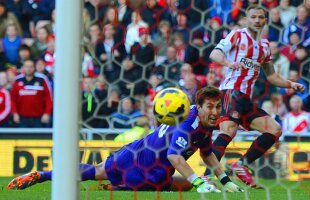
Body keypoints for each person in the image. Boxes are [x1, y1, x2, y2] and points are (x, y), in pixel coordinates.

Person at [7, 86, 243, 193]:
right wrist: (202, 183)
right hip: (142, 163)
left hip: (148, 160)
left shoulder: (202, 121)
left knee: (98, 171)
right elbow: (173, 155)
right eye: (209, 107)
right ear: (199, 107)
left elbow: (206, 152)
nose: (214, 112)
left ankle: (118, 185)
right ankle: (42, 176)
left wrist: (223, 180)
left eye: (216, 107)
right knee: (189, 183)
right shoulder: (188, 124)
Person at [208, 4, 305, 188]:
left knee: (275, 129)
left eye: (261, 17)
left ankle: (241, 165)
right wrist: (229, 63)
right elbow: (214, 53)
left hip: (245, 98)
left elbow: (271, 76)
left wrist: (291, 84)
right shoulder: (237, 35)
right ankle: (206, 176)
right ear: (247, 19)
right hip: (231, 91)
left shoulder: (265, 46)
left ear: (265, 20)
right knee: (228, 131)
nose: (257, 21)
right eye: (254, 17)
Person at [10, 59, 53, 128]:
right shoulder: (17, 80)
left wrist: (47, 113)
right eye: (26, 66)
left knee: (39, 138)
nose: (29, 69)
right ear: (23, 68)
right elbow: (12, 99)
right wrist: (15, 113)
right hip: (22, 119)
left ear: (34, 68)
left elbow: (48, 98)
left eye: (31, 67)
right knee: (23, 138)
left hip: (39, 118)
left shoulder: (42, 79)